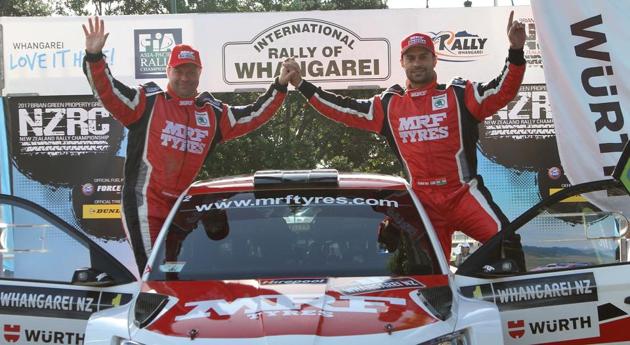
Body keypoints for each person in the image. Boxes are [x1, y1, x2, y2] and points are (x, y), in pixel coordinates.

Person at [284, 11, 526, 258]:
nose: (417, 63)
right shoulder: (388, 105)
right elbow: (342, 109)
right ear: (402, 63)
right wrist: (303, 85)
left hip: (463, 194)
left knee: (507, 245)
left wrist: (515, 51)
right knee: (426, 274)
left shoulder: (459, 94)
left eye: (423, 57)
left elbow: (502, 91)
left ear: (434, 59)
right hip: (423, 203)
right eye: (411, 58)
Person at [82, 17, 295, 273]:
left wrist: (280, 86)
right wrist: (94, 57)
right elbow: (108, 91)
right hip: (145, 205)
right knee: (155, 273)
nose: (185, 77)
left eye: (191, 71)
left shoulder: (213, 114)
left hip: (183, 210)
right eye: (179, 71)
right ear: (168, 72)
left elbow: (254, 115)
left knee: (179, 276)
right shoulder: (146, 103)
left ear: (199, 73)